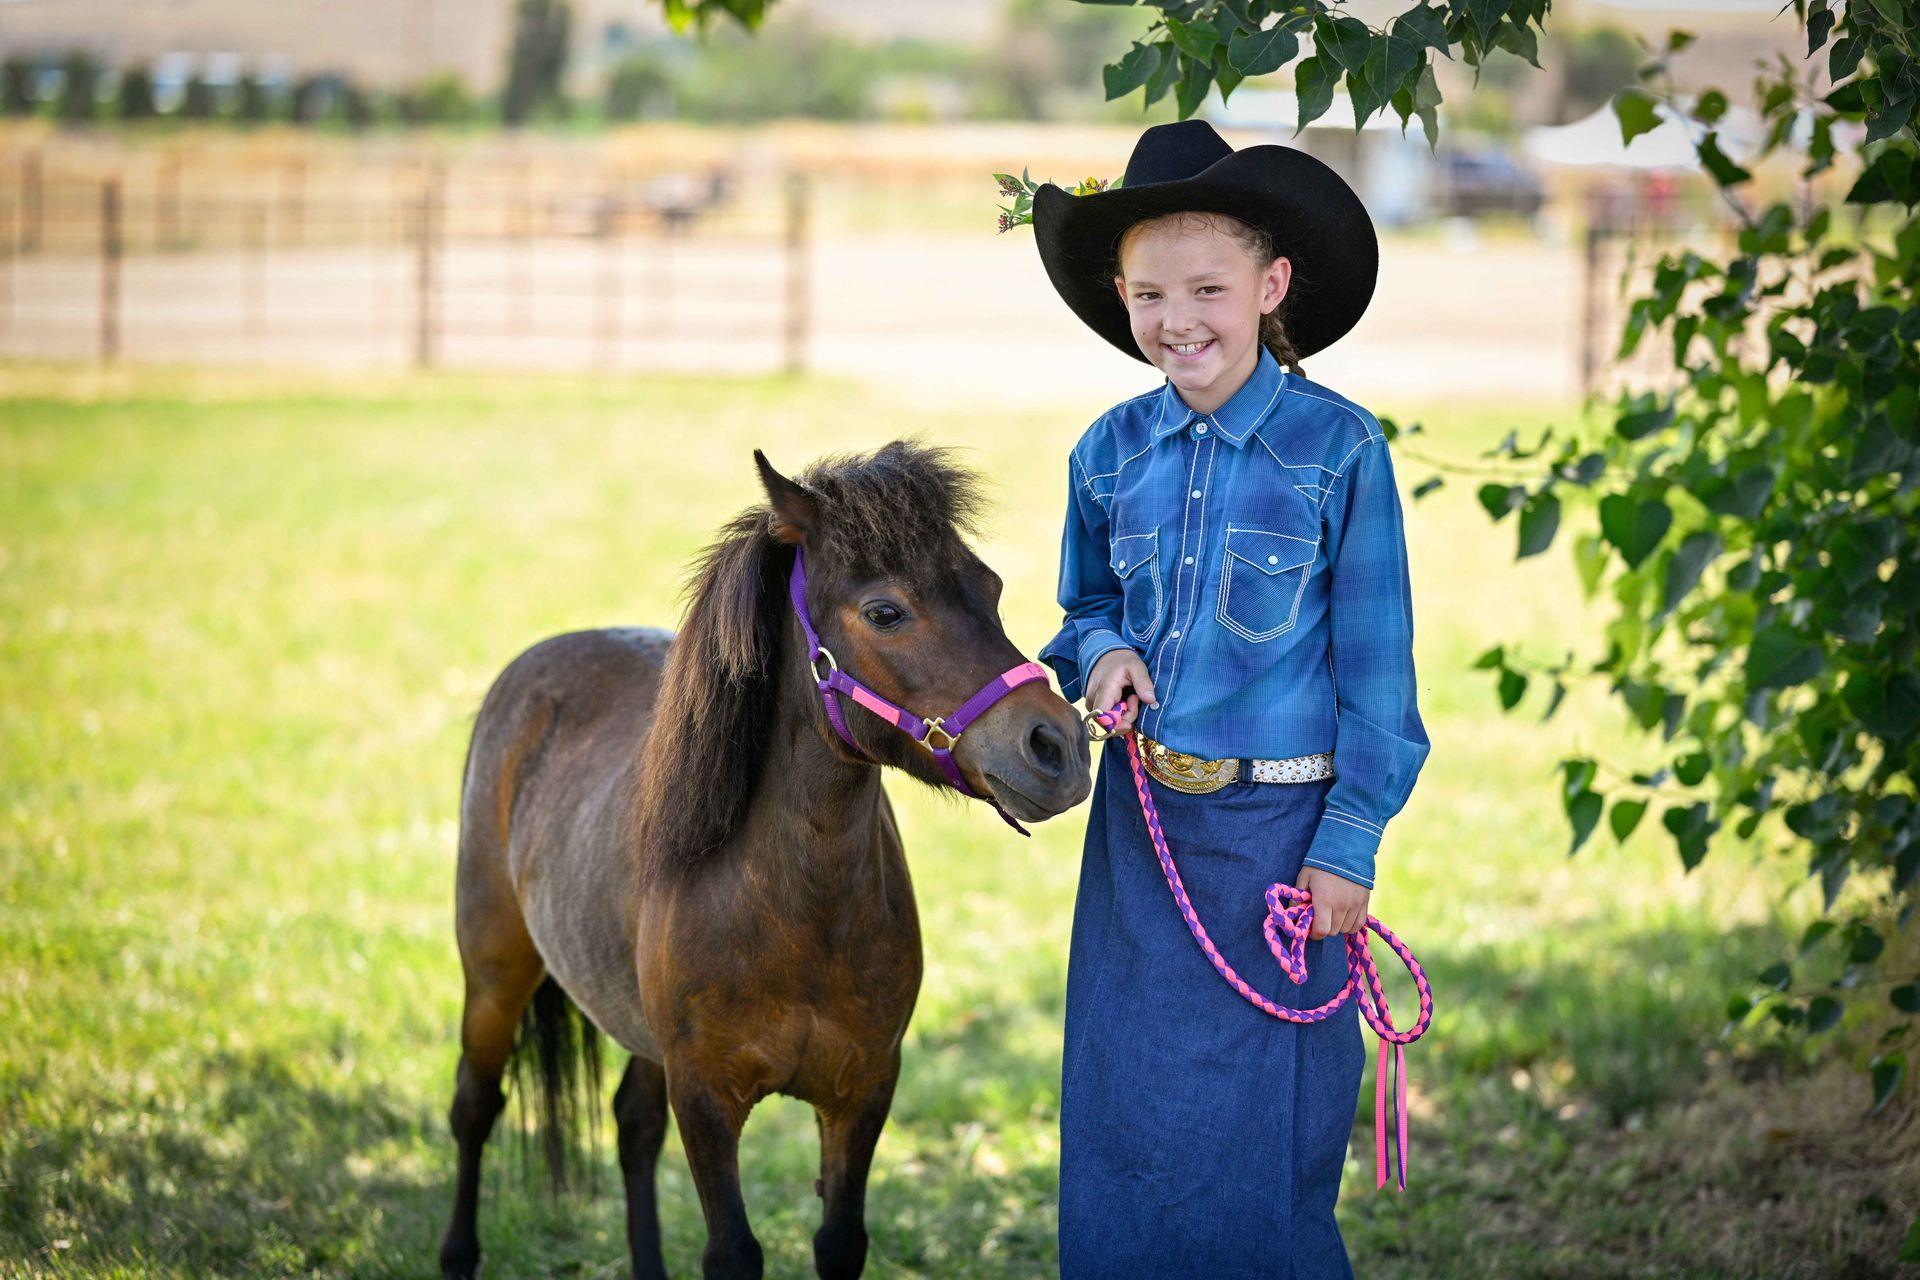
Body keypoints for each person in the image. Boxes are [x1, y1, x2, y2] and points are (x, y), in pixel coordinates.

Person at [1031, 119, 1432, 1277]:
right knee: (1125, 1114)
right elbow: (1084, 602)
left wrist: (1348, 843)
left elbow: (1380, 672)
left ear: (1272, 284)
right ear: (1121, 296)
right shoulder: (1106, 452)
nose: (1179, 319)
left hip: (1282, 845)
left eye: (1208, 286)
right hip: (1142, 838)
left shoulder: (1339, 450)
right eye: (1150, 293)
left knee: (1266, 1134)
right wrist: (1099, 656)